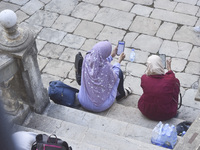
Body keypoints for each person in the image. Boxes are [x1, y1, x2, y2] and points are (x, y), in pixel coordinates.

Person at [78, 41, 131, 112]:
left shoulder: (87, 59)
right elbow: (114, 76)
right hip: (99, 106)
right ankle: (121, 94)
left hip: (83, 100)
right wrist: (119, 61)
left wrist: (112, 56)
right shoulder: (106, 68)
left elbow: (98, 61)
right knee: (119, 73)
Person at [138, 55, 180, 121]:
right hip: (166, 114)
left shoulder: (144, 78)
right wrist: (169, 67)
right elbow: (172, 77)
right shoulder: (170, 80)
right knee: (175, 83)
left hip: (146, 111)